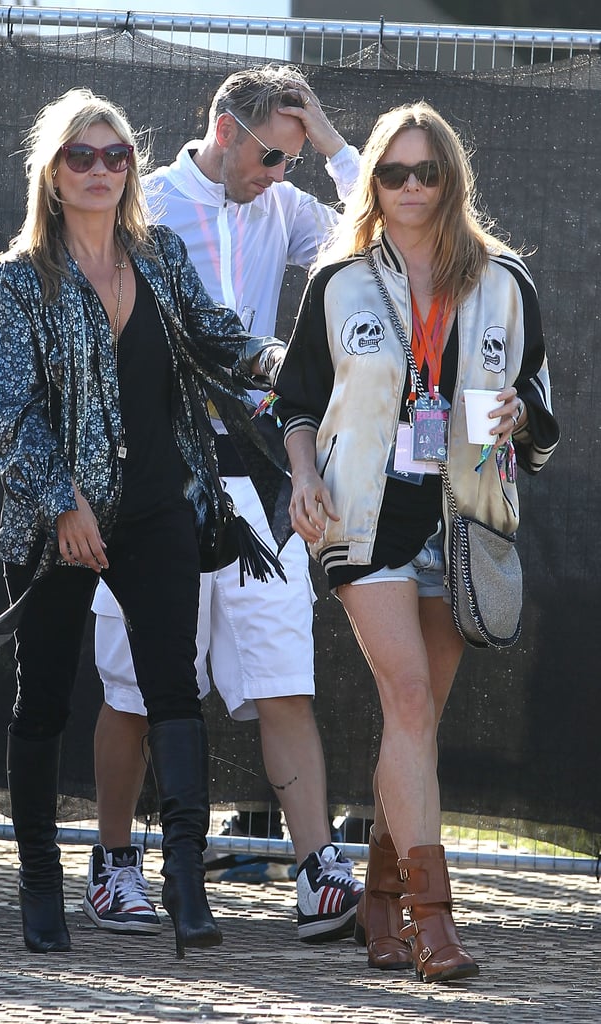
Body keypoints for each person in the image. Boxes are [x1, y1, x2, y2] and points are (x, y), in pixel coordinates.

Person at [0, 87, 291, 958]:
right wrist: (64, 504)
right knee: (41, 702)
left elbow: (219, 336)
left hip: (159, 503)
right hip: (56, 519)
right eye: (83, 155)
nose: (103, 170)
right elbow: (16, 415)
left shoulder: (157, 253)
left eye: (117, 156)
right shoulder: (20, 279)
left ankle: (186, 883)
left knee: (172, 691)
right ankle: (42, 883)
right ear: (52, 171)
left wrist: (284, 362)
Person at [275, 101, 559, 982]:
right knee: (406, 700)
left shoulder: (506, 280)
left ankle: (375, 902)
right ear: (373, 182)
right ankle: (434, 923)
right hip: (364, 516)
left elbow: (544, 419)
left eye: (424, 172)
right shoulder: (341, 279)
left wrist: (520, 415)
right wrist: (303, 473)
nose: (407, 187)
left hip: (464, 519)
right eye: (391, 172)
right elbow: (296, 399)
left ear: (450, 181)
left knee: (419, 722)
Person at [87, 65, 364, 943]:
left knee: (283, 677)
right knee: (134, 684)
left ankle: (319, 871)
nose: (276, 174)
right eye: (270, 156)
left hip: (255, 476)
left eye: (290, 159)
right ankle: (113, 864)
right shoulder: (149, 198)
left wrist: (329, 146)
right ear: (223, 127)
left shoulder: (285, 205)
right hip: (154, 479)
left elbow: (370, 239)